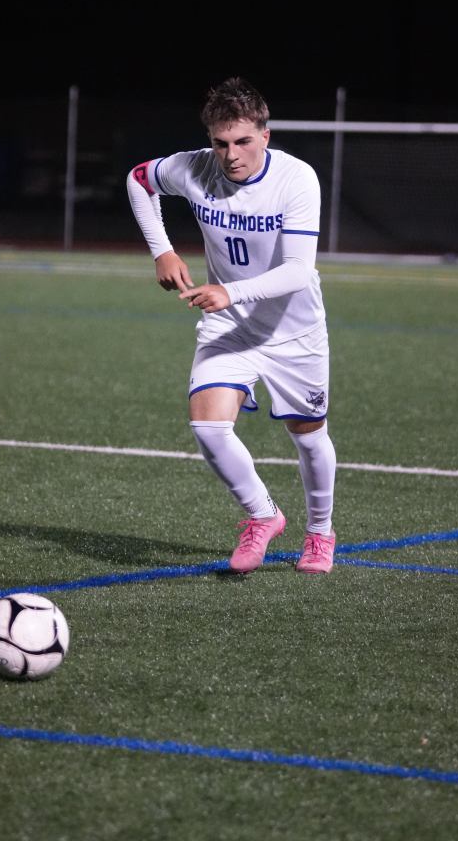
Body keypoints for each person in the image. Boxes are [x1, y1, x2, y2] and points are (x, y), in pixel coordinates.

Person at [127, 77, 336, 574]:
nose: (231, 154)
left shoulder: (297, 179)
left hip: (294, 330)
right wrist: (162, 249)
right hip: (230, 328)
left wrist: (230, 291)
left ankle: (321, 533)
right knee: (208, 425)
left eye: (243, 141)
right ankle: (263, 516)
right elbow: (138, 179)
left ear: (265, 134)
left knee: (308, 437)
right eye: (221, 143)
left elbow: (298, 270)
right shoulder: (194, 167)